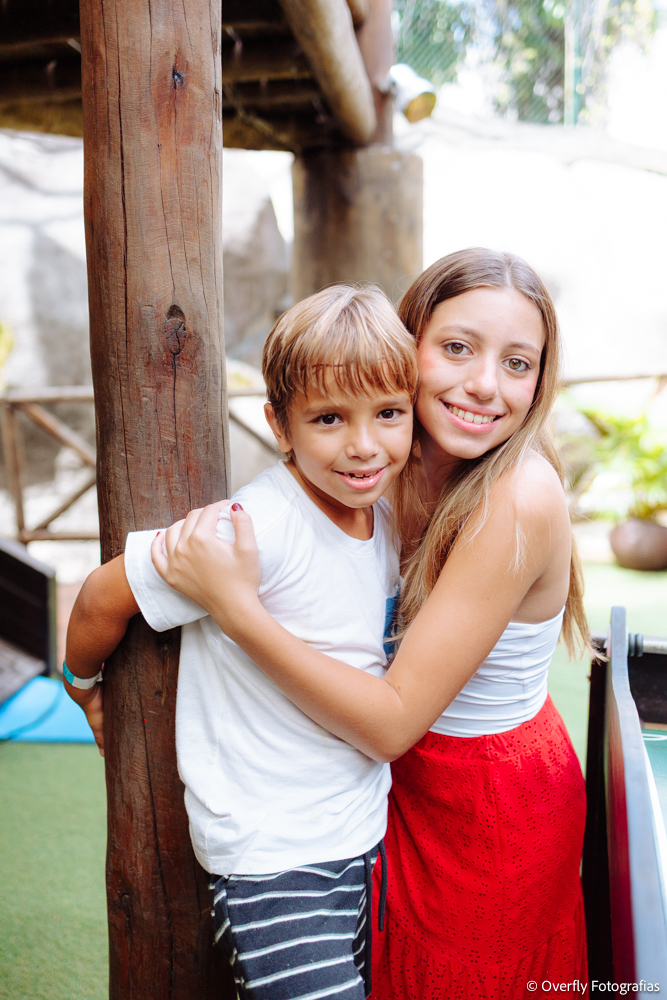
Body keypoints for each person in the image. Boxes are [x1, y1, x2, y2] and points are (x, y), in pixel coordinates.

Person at [151, 248, 590, 998]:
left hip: (484, 800)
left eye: (517, 364)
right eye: (456, 348)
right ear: (404, 343)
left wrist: (237, 611)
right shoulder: (388, 458)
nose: (484, 384)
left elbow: (391, 724)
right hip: (392, 785)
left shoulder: (514, 495)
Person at [63, 284, 420, 1000]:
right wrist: (81, 685)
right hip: (272, 856)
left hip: (362, 836)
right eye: (328, 418)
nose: (363, 444)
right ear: (279, 426)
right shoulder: (254, 526)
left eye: (388, 413)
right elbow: (107, 592)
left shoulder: (382, 521)